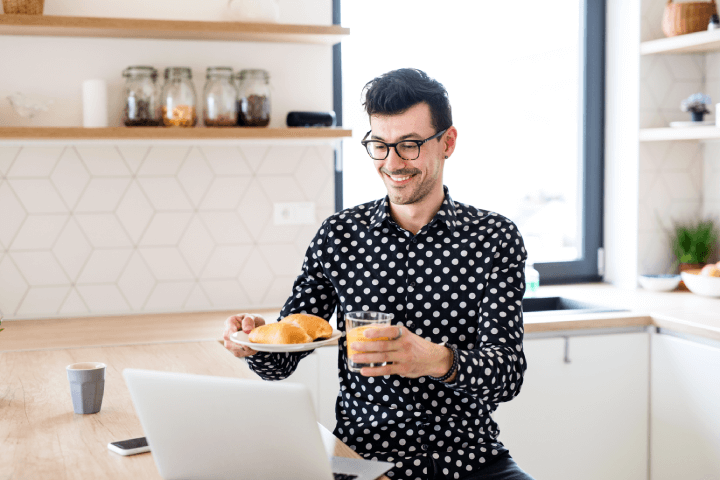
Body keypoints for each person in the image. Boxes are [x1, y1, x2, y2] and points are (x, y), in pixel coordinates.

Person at [223, 68, 534, 480]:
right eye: (379, 145)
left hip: (471, 458)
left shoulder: (494, 238)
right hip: (362, 461)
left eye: (409, 145)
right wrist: (255, 342)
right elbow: (284, 356)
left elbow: (507, 374)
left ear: (448, 142)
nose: (392, 163)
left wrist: (436, 360)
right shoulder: (340, 235)